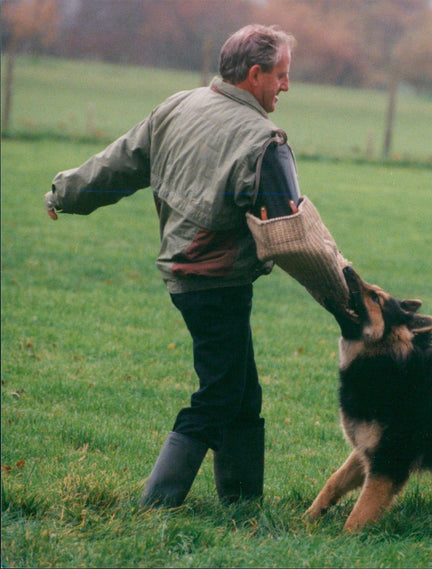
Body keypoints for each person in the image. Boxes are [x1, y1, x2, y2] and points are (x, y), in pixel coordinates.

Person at [45, 24, 298, 508]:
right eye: (282, 75)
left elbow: (119, 163)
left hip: (183, 271)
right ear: (254, 74)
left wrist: (64, 192)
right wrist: (347, 296)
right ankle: (157, 503)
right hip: (216, 278)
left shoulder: (179, 104)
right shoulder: (264, 140)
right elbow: (294, 236)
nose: (286, 85)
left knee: (242, 391)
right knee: (220, 394)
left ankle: (242, 503)